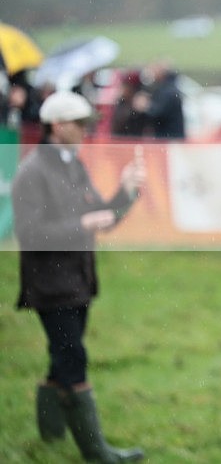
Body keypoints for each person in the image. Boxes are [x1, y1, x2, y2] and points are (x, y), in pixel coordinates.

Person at [12, 91, 146, 462]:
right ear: (55, 125)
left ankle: (50, 436)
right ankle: (96, 451)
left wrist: (126, 191)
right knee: (73, 358)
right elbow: (30, 234)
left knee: (62, 356)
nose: (86, 131)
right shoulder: (31, 172)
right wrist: (81, 223)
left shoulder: (75, 165)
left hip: (78, 280)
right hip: (50, 285)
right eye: (79, 124)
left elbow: (103, 214)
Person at [134, 61, 185, 139]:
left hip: (169, 137)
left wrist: (145, 106)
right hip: (170, 136)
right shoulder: (166, 88)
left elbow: (158, 112)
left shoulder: (168, 90)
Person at [110, 70, 149, 137]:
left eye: (125, 86)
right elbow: (116, 124)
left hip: (134, 139)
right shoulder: (122, 101)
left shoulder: (140, 102)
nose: (122, 89)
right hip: (120, 138)